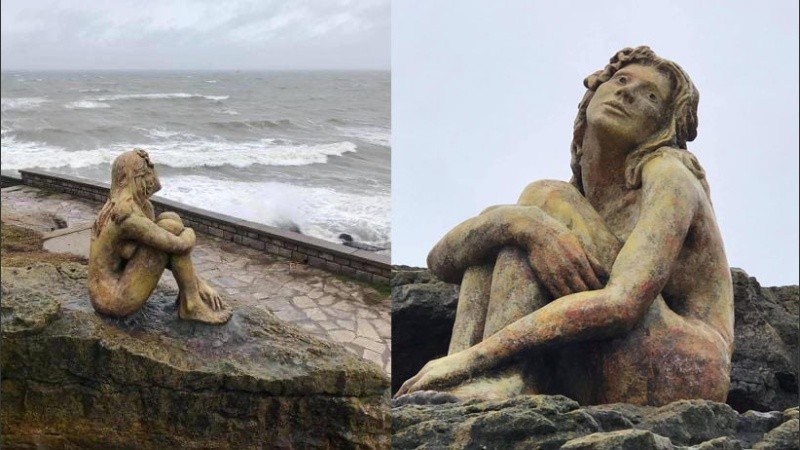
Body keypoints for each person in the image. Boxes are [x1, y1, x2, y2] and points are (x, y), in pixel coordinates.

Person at [395, 46, 734, 406]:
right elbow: (441, 262)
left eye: (650, 96)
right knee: (510, 230)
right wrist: (521, 224)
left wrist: (473, 359)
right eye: (620, 80)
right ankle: (465, 382)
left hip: (677, 369)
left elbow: (624, 305)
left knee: (541, 199)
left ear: (664, 125)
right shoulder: (581, 203)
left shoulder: (669, 174)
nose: (627, 93)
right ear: (592, 93)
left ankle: (505, 376)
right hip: (607, 358)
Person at [88, 149, 231, 324]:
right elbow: (178, 246)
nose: (153, 177)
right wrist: (190, 232)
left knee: (169, 219)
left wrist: (197, 283)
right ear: (137, 179)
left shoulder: (135, 206)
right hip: (114, 300)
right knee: (170, 228)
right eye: (148, 172)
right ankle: (191, 304)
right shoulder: (127, 217)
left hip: (112, 289)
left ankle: (189, 296)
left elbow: (159, 254)